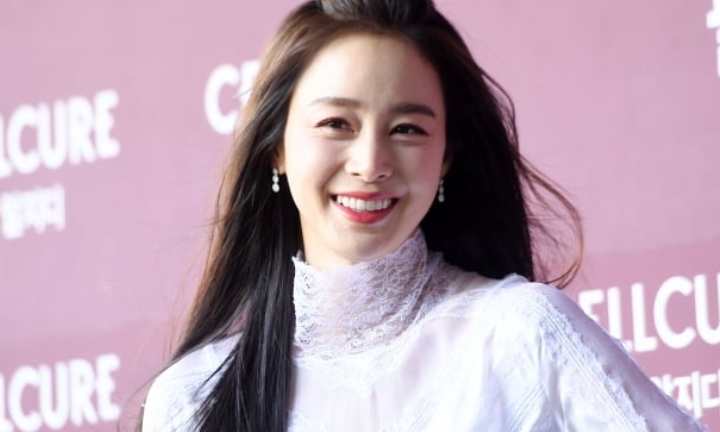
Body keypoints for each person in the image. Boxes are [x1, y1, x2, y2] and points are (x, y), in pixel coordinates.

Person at [140, 0, 710, 431]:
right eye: (337, 124)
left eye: (407, 129)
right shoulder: (192, 400)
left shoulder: (521, 335)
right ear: (277, 148)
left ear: (446, 158)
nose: (370, 163)